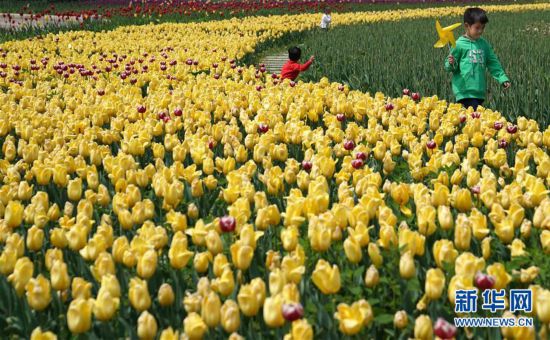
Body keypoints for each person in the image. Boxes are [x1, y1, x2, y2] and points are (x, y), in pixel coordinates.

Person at [445, 7, 511, 111]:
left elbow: (493, 62)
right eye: (477, 27)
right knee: (475, 117)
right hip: (464, 91)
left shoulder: (484, 44)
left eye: (483, 27)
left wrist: (502, 78)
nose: (480, 31)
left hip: (479, 91)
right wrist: (451, 63)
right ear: (467, 26)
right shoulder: (458, 44)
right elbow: (450, 67)